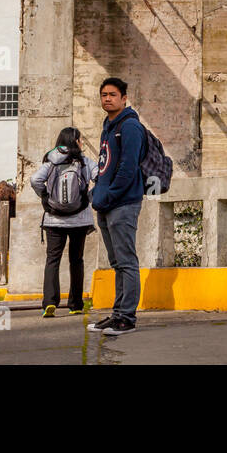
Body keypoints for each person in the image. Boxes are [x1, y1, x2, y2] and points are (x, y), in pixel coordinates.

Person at [86, 77, 145, 337]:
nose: (107, 98)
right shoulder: (108, 127)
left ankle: (127, 318)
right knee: (117, 263)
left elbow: (128, 169)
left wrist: (107, 195)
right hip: (106, 204)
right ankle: (118, 313)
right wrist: (96, 192)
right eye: (103, 95)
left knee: (127, 262)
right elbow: (104, 165)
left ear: (124, 98)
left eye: (112, 94)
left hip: (123, 204)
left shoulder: (130, 126)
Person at [30, 127, 95, 318]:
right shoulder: (84, 162)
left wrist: (45, 197)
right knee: (76, 260)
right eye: (80, 140)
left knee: (53, 260)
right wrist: (88, 197)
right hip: (79, 219)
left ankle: (50, 302)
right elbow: (101, 177)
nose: (81, 143)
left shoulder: (50, 160)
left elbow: (35, 180)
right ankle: (75, 304)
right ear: (75, 141)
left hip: (54, 219)